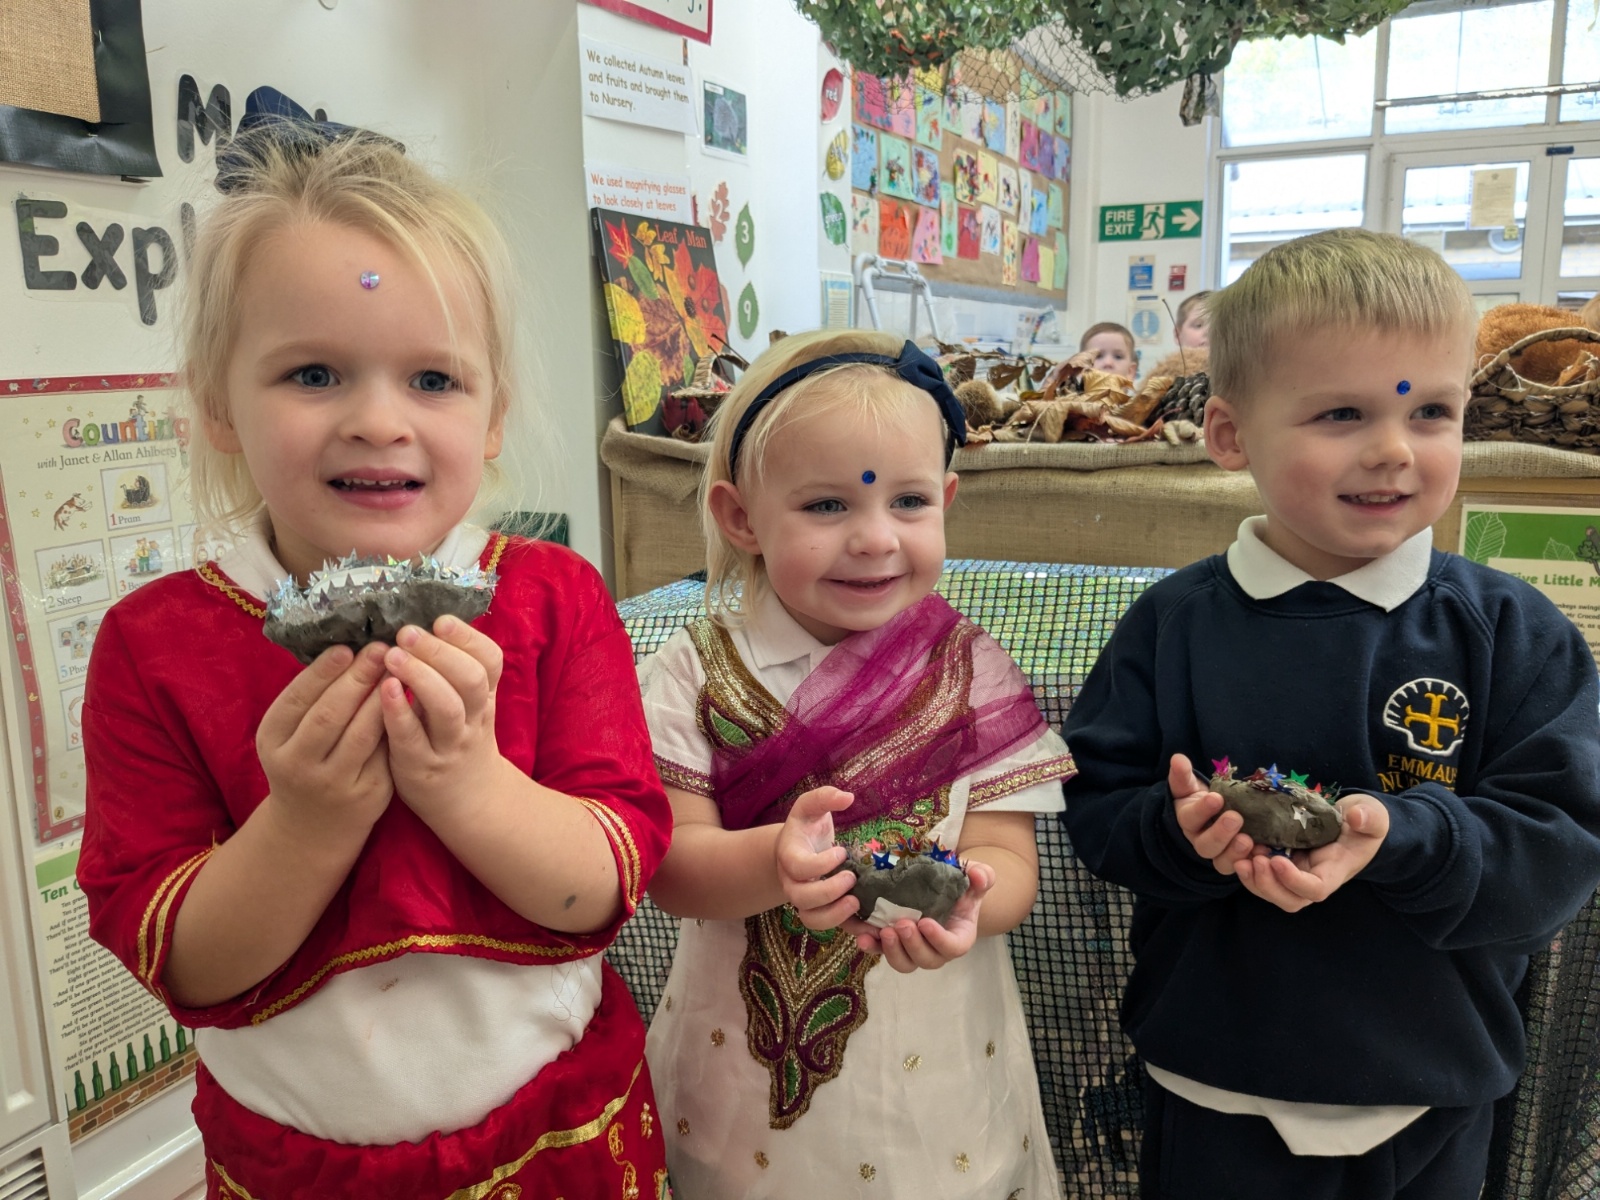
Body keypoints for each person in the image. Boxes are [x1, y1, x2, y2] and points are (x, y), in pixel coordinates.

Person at [76, 118, 672, 1198]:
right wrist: (304, 824)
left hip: (559, 1135)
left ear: (494, 416)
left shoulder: (553, 599)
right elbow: (180, 958)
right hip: (294, 1163)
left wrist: (469, 786)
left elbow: (609, 883)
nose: (378, 421)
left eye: (434, 380)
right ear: (218, 405)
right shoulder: (156, 645)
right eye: (314, 373)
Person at [1062, 227, 1600, 1200]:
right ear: (1230, 435)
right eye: (1343, 412)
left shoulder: (1513, 632)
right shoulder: (1171, 625)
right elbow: (1095, 809)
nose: (1393, 449)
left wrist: (1405, 836)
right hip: (1212, 1087)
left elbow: (1560, 851)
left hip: (1432, 1098)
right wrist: (1180, 835)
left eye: (1430, 411)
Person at [639, 330, 1075, 1198]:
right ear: (740, 517)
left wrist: (967, 903)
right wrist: (776, 862)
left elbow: (1009, 860)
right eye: (828, 505)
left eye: (909, 501)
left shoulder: (974, 671)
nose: (876, 539)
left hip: (938, 1077)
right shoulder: (691, 672)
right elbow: (672, 872)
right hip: (736, 1089)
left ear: (948, 498)